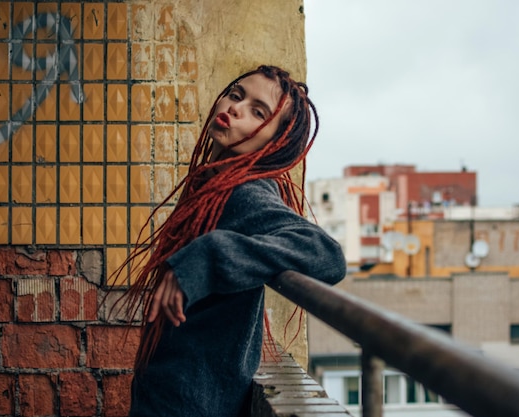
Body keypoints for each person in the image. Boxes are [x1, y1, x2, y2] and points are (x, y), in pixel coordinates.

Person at [115, 65, 346, 417]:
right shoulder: (214, 184)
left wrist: (209, 254)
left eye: (258, 112)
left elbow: (327, 255)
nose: (235, 109)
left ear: (275, 142)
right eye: (236, 95)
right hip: (168, 395)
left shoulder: (245, 191)